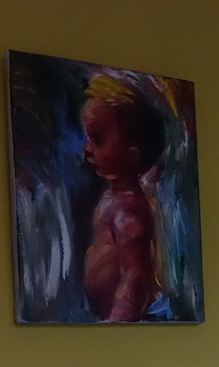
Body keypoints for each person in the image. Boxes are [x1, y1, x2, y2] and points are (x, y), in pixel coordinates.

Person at [80, 76, 170, 322]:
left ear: (132, 154)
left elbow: (135, 278)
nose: (87, 148)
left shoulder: (127, 212)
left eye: (98, 139)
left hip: (129, 320)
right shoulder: (113, 197)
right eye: (88, 138)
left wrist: (115, 325)